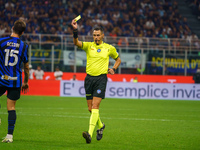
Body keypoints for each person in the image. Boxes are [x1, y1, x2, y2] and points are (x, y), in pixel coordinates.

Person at [71, 19, 121, 144]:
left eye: (98, 35)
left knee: (95, 106)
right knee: (90, 108)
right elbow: (76, 42)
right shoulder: (89, 46)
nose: (96, 37)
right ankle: (101, 126)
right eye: (94, 35)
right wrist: (75, 30)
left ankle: (89, 134)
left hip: (101, 79)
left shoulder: (109, 48)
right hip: (89, 79)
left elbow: (118, 59)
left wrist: (114, 68)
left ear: (103, 35)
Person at [0, 20, 29, 143]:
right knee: (11, 107)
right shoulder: (24, 46)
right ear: (22, 32)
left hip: (1, 79)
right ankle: (9, 136)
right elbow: (26, 67)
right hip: (16, 81)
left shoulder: (2, 42)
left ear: (12, 28)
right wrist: (26, 82)